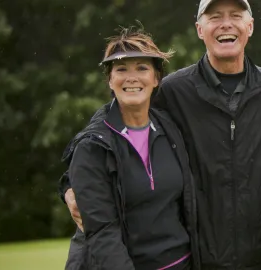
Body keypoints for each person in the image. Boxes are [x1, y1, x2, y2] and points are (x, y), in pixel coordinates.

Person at [59, 0, 261, 269]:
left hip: (260, 261)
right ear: (200, 29)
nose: (226, 23)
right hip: (200, 261)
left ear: (250, 26)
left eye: (235, 15)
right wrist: (71, 183)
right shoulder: (173, 93)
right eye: (214, 17)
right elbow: (113, 122)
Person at [61, 26, 198, 270]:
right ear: (110, 80)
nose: (131, 77)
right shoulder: (92, 146)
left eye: (142, 68)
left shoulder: (171, 127)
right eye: (121, 69)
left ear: (156, 79)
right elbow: (102, 233)